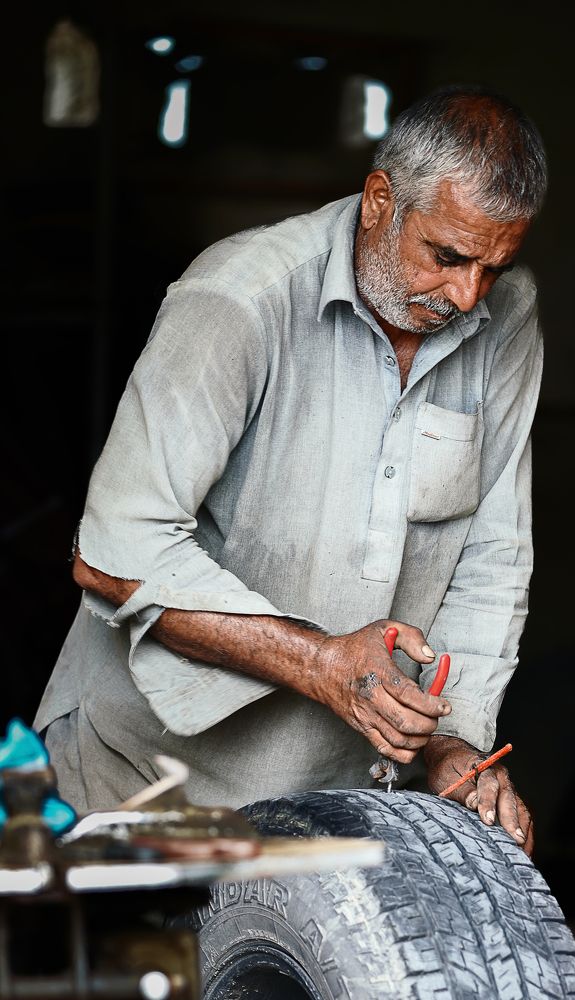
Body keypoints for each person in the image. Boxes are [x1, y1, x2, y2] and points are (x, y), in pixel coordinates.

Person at [35, 85, 547, 855]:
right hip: (144, 778)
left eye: (492, 266)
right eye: (446, 257)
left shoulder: (503, 320)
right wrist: (319, 660)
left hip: (337, 801)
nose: (466, 293)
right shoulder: (239, 300)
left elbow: (491, 559)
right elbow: (112, 553)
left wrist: (455, 741)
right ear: (380, 200)